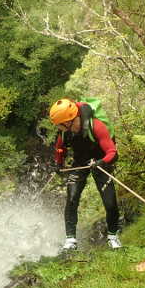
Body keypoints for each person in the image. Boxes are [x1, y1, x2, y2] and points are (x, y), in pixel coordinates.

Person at [49, 98, 122, 250]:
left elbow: (112, 152)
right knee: (72, 198)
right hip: (80, 161)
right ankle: (70, 240)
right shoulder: (65, 132)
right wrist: (58, 163)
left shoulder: (96, 126)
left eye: (60, 125)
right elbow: (60, 148)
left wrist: (101, 163)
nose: (59, 128)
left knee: (109, 201)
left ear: (69, 121)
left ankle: (113, 237)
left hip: (101, 160)